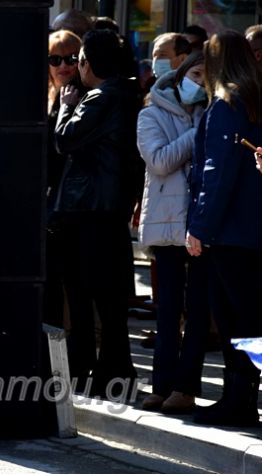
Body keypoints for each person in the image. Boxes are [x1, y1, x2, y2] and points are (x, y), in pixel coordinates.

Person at [54, 28, 140, 398]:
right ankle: (112, 369)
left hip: (87, 210)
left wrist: (64, 106)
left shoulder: (100, 98)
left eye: (78, 61)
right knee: (108, 296)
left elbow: (65, 138)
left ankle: (96, 368)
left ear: (89, 63)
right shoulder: (127, 93)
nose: (74, 67)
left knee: (85, 293)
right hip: (109, 209)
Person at [187, 31, 262, 427]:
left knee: (234, 317)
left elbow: (216, 173)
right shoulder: (254, 100)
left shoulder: (226, 103)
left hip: (229, 232)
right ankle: (242, 396)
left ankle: (238, 398)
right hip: (252, 230)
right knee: (249, 316)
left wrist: (200, 227)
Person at [137, 52, 209, 413]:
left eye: (207, 78)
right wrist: (198, 134)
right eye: (196, 74)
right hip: (167, 226)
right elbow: (160, 160)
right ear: (181, 75)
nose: (201, 83)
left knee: (197, 311)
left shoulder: (210, 111)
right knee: (167, 311)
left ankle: (185, 388)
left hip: (199, 225)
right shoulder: (151, 114)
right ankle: (160, 384)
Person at [44, 29, 82, 329]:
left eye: (71, 58)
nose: (63, 66)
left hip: (73, 208)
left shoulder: (83, 99)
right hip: (50, 204)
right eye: (55, 59)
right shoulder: (47, 97)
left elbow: (61, 146)